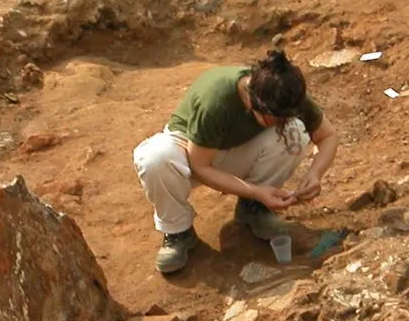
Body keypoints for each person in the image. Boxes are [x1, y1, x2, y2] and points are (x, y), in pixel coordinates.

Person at [132, 50, 340, 274]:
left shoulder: (283, 93)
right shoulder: (216, 99)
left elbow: (328, 136)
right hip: (189, 152)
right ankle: (178, 232)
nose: (281, 122)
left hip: (234, 151)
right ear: (252, 102)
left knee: (296, 133)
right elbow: (199, 166)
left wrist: (315, 174)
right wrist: (256, 190)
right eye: (275, 119)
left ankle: (254, 209)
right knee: (155, 158)